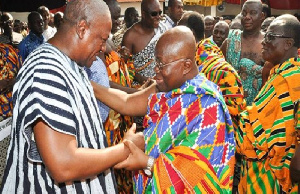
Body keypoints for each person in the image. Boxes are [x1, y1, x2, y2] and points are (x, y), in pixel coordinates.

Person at [0, 0, 144, 193]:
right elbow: (64, 164)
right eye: (101, 39)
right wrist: (126, 148)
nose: (103, 48)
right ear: (82, 29)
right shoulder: (45, 71)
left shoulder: (72, 65)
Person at [92, 26, 236, 193]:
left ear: (186, 65)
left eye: (161, 64)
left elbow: (198, 177)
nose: (156, 70)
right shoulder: (167, 87)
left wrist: (147, 163)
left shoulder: (207, 106)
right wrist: (89, 86)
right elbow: (127, 102)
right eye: (156, 62)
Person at [235, 14, 300, 193]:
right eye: (266, 35)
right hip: (257, 170)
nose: (264, 41)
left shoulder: (295, 79)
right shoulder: (277, 74)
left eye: (271, 37)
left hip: (276, 176)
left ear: (288, 44)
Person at [221, 0, 265, 105]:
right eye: (244, 13)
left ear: (262, 16)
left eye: (253, 13)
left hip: (258, 106)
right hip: (231, 105)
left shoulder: (268, 44)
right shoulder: (230, 41)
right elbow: (218, 71)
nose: (247, 17)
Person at [122, 0, 166, 85]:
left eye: (160, 13)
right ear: (144, 14)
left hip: (162, 83)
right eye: (154, 14)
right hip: (139, 87)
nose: (158, 17)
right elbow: (124, 67)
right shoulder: (130, 36)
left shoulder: (163, 29)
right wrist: (142, 79)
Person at [0, 43, 22, 187]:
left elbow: (24, 74)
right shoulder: (12, 50)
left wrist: (11, 82)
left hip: (11, 116)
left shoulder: (11, 51)